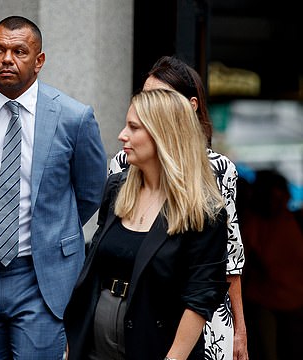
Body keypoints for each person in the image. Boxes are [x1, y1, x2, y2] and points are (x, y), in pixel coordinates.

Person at [0, 15, 106, 359]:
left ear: (39, 60)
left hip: (42, 279)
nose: (7, 59)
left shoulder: (74, 118)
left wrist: (51, 228)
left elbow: (89, 194)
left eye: (19, 51)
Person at [65, 89, 229, 360]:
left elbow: (200, 298)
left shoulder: (204, 210)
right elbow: (94, 267)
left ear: (163, 134)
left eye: (133, 127)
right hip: (95, 347)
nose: (122, 135)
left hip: (156, 347)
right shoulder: (117, 188)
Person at [108, 56, 248, 360]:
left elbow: (231, 255)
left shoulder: (218, 169)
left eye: (161, 97)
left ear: (190, 106)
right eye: (146, 96)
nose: (150, 105)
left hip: (206, 310)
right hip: (139, 309)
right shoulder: (122, 166)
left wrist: (240, 329)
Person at [241, 169, 303, 360]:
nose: (278, 201)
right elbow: (241, 265)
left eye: (281, 196)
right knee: (268, 351)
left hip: (295, 300)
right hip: (264, 301)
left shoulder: (296, 220)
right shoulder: (252, 224)